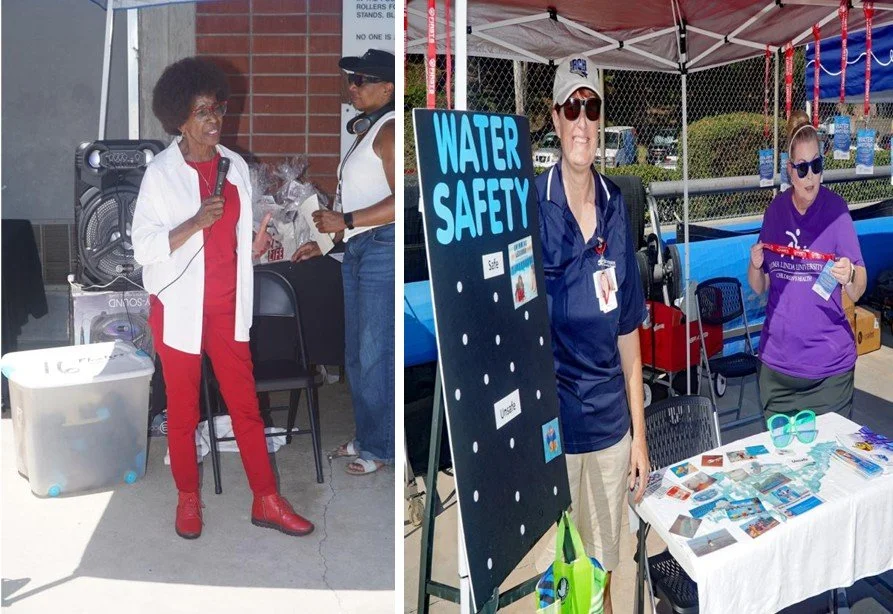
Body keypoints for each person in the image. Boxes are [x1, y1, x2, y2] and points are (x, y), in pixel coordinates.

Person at [132, 57, 314, 539]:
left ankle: (267, 500)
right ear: (179, 120)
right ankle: (187, 499)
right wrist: (195, 221)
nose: (214, 119)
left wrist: (252, 247)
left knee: (246, 407)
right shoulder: (159, 175)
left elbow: (235, 235)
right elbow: (142, 247)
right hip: (178, 310)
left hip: (228, 307)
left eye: (218, 108)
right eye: (202, 111)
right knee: (184, 411)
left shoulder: (234, 165)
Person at [533, 55, 650, 614]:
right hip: (551, 429)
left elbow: (629, 331)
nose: (582, 121)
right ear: (555, 119)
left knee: (603, 572)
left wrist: (640, 437)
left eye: (592, 107)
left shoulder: (616, 208)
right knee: (558, 585)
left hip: (608, 427)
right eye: (571, 108)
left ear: (601, 119)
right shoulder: (532, 204)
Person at [292, 49, 395, 475]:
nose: (352, 86)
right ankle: (369, 436)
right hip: (357, 248)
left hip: (381, 247)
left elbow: (398, 203)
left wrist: (346, 220)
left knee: (374, 354)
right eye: (351, 80)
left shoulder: (387, 131)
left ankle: (381, 446)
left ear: (388, 88)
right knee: (355, 355)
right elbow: (359, 202)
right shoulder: (366, 132)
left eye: (361, 80)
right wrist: (331, 240)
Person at [748, 110, 866, 416]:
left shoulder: (837, 211)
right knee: (780, 462)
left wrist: (851, 273)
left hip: (829, 373)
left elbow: (858, 289)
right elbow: (760, 285)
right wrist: (754, 263)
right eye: (802, 168)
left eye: (816, 166)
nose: (810, 176)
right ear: (790, 171)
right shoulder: (775, 212)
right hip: (778, 370)